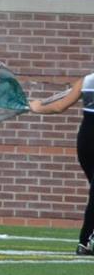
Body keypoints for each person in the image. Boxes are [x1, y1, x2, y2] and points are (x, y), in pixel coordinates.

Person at [21, 73, 94, 256]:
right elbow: (60, 106)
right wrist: (38, 107)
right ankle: (85, 241)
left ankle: (86, 241)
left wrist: (38, 107)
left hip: (86, 141)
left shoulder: (87, 80)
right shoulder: (87, 81)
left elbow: (60, 106)